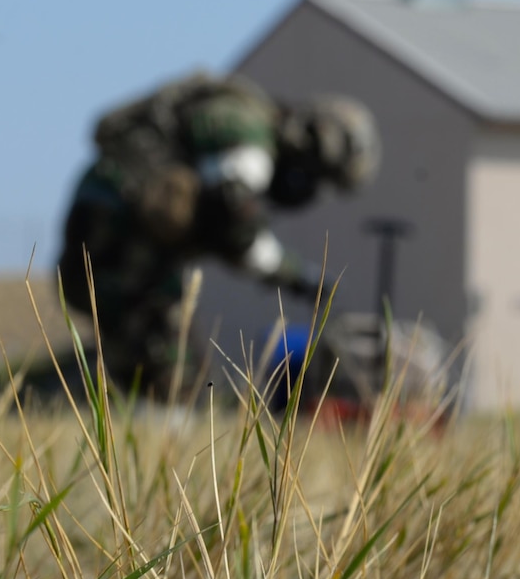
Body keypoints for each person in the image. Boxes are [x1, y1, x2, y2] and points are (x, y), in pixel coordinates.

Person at [53, 72, 378, 393]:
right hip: (117, 237)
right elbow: (238, 230)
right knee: (171, 369)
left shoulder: (245, 131)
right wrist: (300, 278)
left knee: (155, 364)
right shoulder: (248, 137)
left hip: (115, 235)